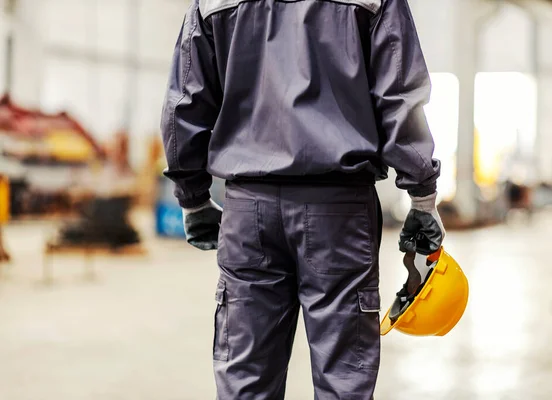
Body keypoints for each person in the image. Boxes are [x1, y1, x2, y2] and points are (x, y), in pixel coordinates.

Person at [160, 0, 445, 397]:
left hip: (249, 210)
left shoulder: (212, 3)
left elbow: (185, 101)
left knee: (246, 381)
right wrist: (422, 195)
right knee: (343, 381)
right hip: (339, 213)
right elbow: (399, 93)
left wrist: (192, 196)